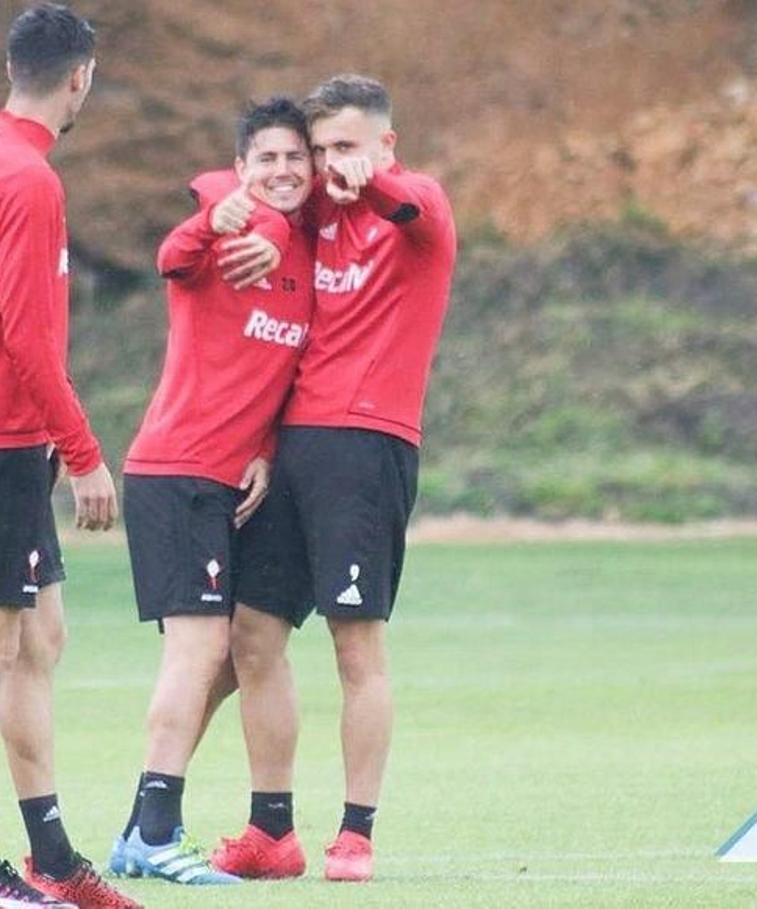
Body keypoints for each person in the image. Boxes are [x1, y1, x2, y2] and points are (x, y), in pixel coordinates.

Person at [209, 74, 457, 883]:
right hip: (294, 449)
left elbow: (414, 207)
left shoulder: (415, 206)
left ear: (386, 144)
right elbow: (228, 180)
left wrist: (371, 182)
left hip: (367, 448)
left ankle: (355, 835)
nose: (328, 164)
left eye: (344, 147)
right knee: (251, 633)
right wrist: (245, 214)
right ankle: (270, 829)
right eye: (321, 151)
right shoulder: (310, 218)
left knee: (357, 649)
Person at [0, 5, 138, 908]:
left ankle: (49, 850)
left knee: (40, 638)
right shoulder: (28, 179)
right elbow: (28, 343)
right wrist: (84, 454)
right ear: (79, 76)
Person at [104, 97, 317, 886]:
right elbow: (170, 256)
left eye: (295, 158)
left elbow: (268, 376)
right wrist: (223, 219)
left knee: (219, 652)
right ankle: (157, 832)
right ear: (240, 170)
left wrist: (263, 446)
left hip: (230, 478)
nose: (283, 171)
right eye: (266, 159)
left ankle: (138, 829)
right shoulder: (225, 230)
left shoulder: (302, 262)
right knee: (196, 649)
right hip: (176, 472)